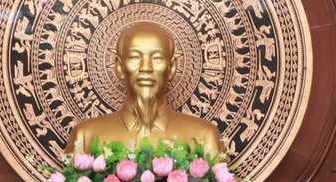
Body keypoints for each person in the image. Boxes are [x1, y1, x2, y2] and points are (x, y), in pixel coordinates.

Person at [66, 21, 224, 156]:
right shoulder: (85, 136)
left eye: (157, 58)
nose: (146, 68)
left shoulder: (205, 136)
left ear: (172, 68)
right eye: (135, 57)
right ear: (119, 67)